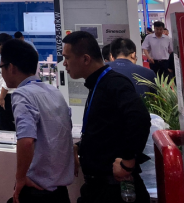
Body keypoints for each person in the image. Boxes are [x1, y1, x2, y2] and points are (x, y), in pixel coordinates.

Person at [62, 31, 151, 203]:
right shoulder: (98, 84)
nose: (64, 63)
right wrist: (79, 147)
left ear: (86, 59)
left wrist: (127, 162)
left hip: (113, 190)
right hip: (97, 188)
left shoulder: (114, 83)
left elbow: (139, 118)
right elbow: (107, 129)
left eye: (67, 58)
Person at [0, 39, 74, 203]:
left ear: (11, 67)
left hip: (37, 191)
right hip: (61, 192)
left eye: (1, 68)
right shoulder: (54, 92)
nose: (2, 74)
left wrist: (20, 178)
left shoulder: (22, 94)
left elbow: (26, 141)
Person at [0, 33, 15, 132]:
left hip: (6, 95)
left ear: (2, 45)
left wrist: (2, 97)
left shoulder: (8, 59)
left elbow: (7, 80)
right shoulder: (7, 57)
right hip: (5, 94)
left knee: (6, 126)